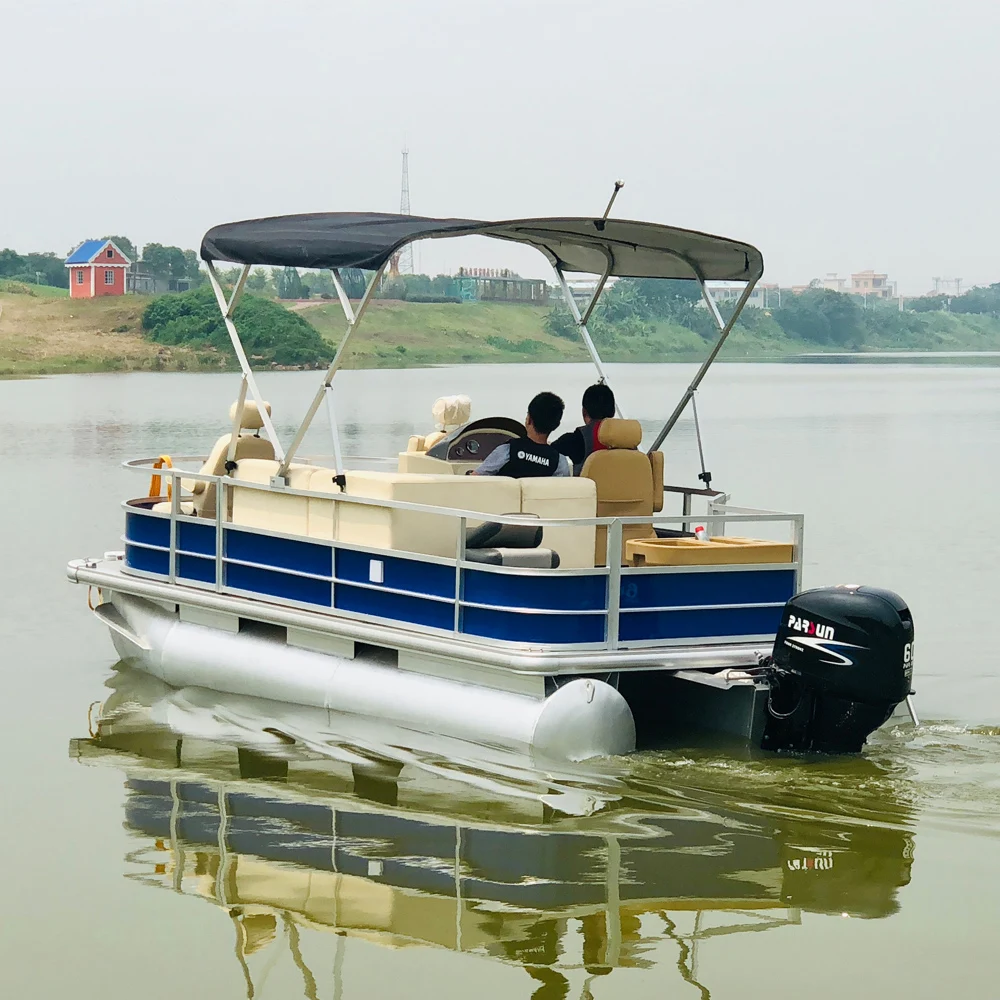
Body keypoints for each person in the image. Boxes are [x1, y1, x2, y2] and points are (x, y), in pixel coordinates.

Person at [471, 391, 571, 477]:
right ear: (556, 425)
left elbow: (476, 479)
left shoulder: (508, 450)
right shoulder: (559, 462)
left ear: (529, 420)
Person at [552, 382, 616, 475]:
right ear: (613, 411)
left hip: (590, 489)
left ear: (584, 412)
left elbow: (548, 454)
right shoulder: (627, 440)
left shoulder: (576, 439)